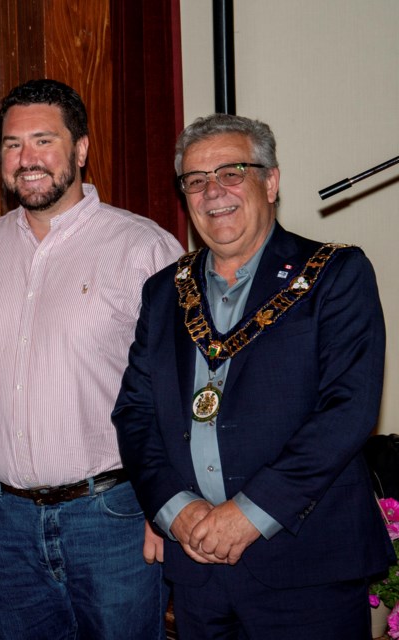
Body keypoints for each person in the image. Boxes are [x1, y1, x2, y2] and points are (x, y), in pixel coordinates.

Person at [112, 113, 395, 638]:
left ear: (270, 180)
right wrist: (175, 510)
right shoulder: (164, 291)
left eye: (231, 172)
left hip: (304, 566)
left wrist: (248, 513)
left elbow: (348, 411)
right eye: (195, 180)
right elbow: (135, 412)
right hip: (196, 568)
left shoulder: (333, 274)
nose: (212, 192)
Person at [0, 78, 183, 639]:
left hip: (116, 518)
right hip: (5, 524)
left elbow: (180, 388)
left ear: (80, 149)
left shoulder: (143, 247)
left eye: (43, 141)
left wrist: (166, 507)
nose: (26, 159)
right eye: (11, 144)